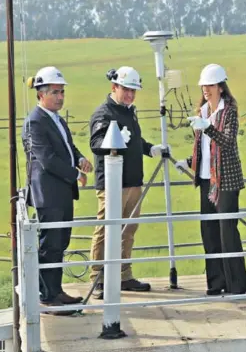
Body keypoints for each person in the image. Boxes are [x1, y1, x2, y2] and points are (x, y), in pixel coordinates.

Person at [89, 66, 168, 298]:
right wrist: (113, 141)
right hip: (112, 184)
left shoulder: (129, 111)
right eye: (126, 90)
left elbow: (134, 140)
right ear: (114, 87)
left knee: (128, 230)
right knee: (106, 230)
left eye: (134, 91)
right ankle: (98, 278)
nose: (130, 95)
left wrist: (149, 148)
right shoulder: (103, 113)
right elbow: (96, 143)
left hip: (133, 181)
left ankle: (124, 274)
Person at [175, 64, 246, 296]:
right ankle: (216, 282)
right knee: (208, 231)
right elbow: (204, 149)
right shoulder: (203, 111)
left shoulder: (228, 111)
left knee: (226, 231)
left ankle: (236, 284)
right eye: (203, 86)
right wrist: (188, 162)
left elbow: (227, 142)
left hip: (226, 181)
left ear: (220, 86)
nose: (205, 90)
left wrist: (208, 128)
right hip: (207, 180)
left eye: (209, 85)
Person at [22, 66, 93, 315]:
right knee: (50, 244)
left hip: (61, 193)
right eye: (55, 92)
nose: (60, 97)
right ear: (41, 94)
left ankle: (56, 291)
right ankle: (48, 296)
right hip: (48, 195)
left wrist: (80, 158)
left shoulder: (56, 119)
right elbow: (47, 159)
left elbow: (68, 147)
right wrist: (75, 174)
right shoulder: (35, 122)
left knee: (60, 243)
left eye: (62, 92)